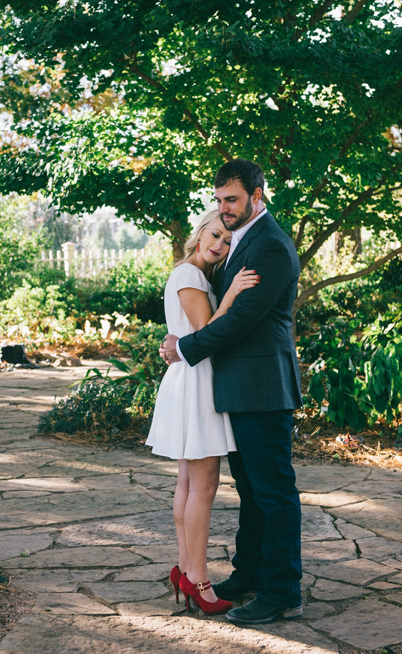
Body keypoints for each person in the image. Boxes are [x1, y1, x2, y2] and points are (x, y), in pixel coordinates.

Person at [159, 158, 304, 625]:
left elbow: (242, 320)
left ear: (257, 196)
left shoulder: (273, 248)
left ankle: (282, 592)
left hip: (263, 388)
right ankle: (249, 575)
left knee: (274, 492)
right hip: (236, 390)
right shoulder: (241, 242)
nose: (224, 209)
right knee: (251, 491)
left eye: (233, 200)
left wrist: (185, 347)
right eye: (219, 200)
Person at [145, 209, 260, 616]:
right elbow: (209, 331)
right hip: (196, 385)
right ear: (200, 233)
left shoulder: (189, 274)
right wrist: (231, 297)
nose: (219, 245)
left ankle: (185, 568)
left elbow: (191, 333)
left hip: (190, 380)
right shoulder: (191, 276)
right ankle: (198, 579)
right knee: (204, 486)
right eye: (215, 235)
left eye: (228, 242)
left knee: (188, 483)